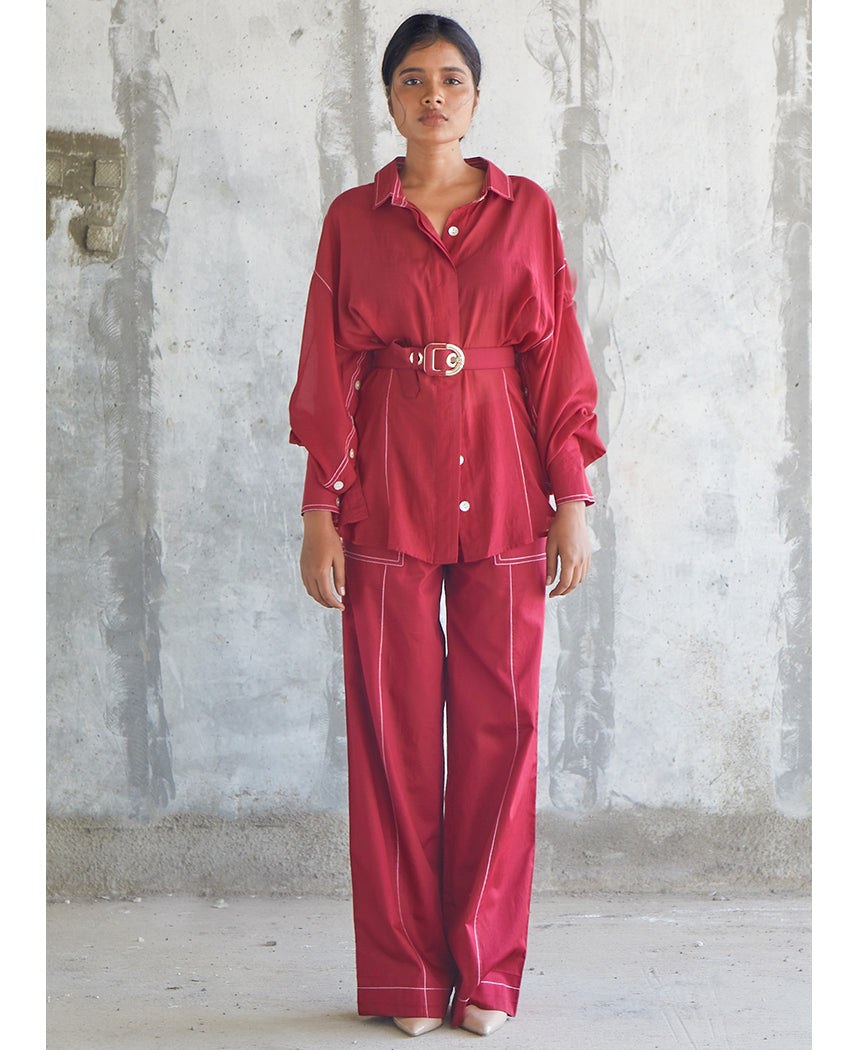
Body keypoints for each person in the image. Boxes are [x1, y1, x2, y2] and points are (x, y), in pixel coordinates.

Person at [289, 13, 606, 1038]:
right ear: (388, 96)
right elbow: (327, 370)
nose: (435, 96)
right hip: (384, 496)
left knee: (500, 736)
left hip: (507, 495)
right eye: (414, 79)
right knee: (392, 742)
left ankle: (488, 977)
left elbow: (555, 359)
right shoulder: (353, 219)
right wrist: (320, 511)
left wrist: (571, 502)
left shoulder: (528, 211)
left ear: (475, 95)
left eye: (453, 79)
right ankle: (407, 983)